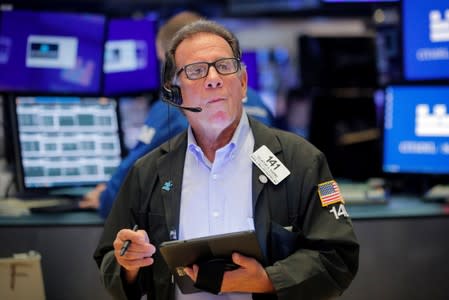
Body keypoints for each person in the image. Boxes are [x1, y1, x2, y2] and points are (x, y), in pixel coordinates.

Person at [94, 20, 359, 300]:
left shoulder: (302, 160)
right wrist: (129, 264)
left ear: (243, 83)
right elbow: (110, 258)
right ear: (175, 93)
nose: (213, 78)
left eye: (224, 66)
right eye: (196, 70)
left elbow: (338, 256)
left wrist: (268, 280)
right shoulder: (148, 172)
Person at [79, 12, 274, 218]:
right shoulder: (257, 99)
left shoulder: (173, 105)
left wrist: (104, 200)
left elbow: (132, 171)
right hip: (261, 210)